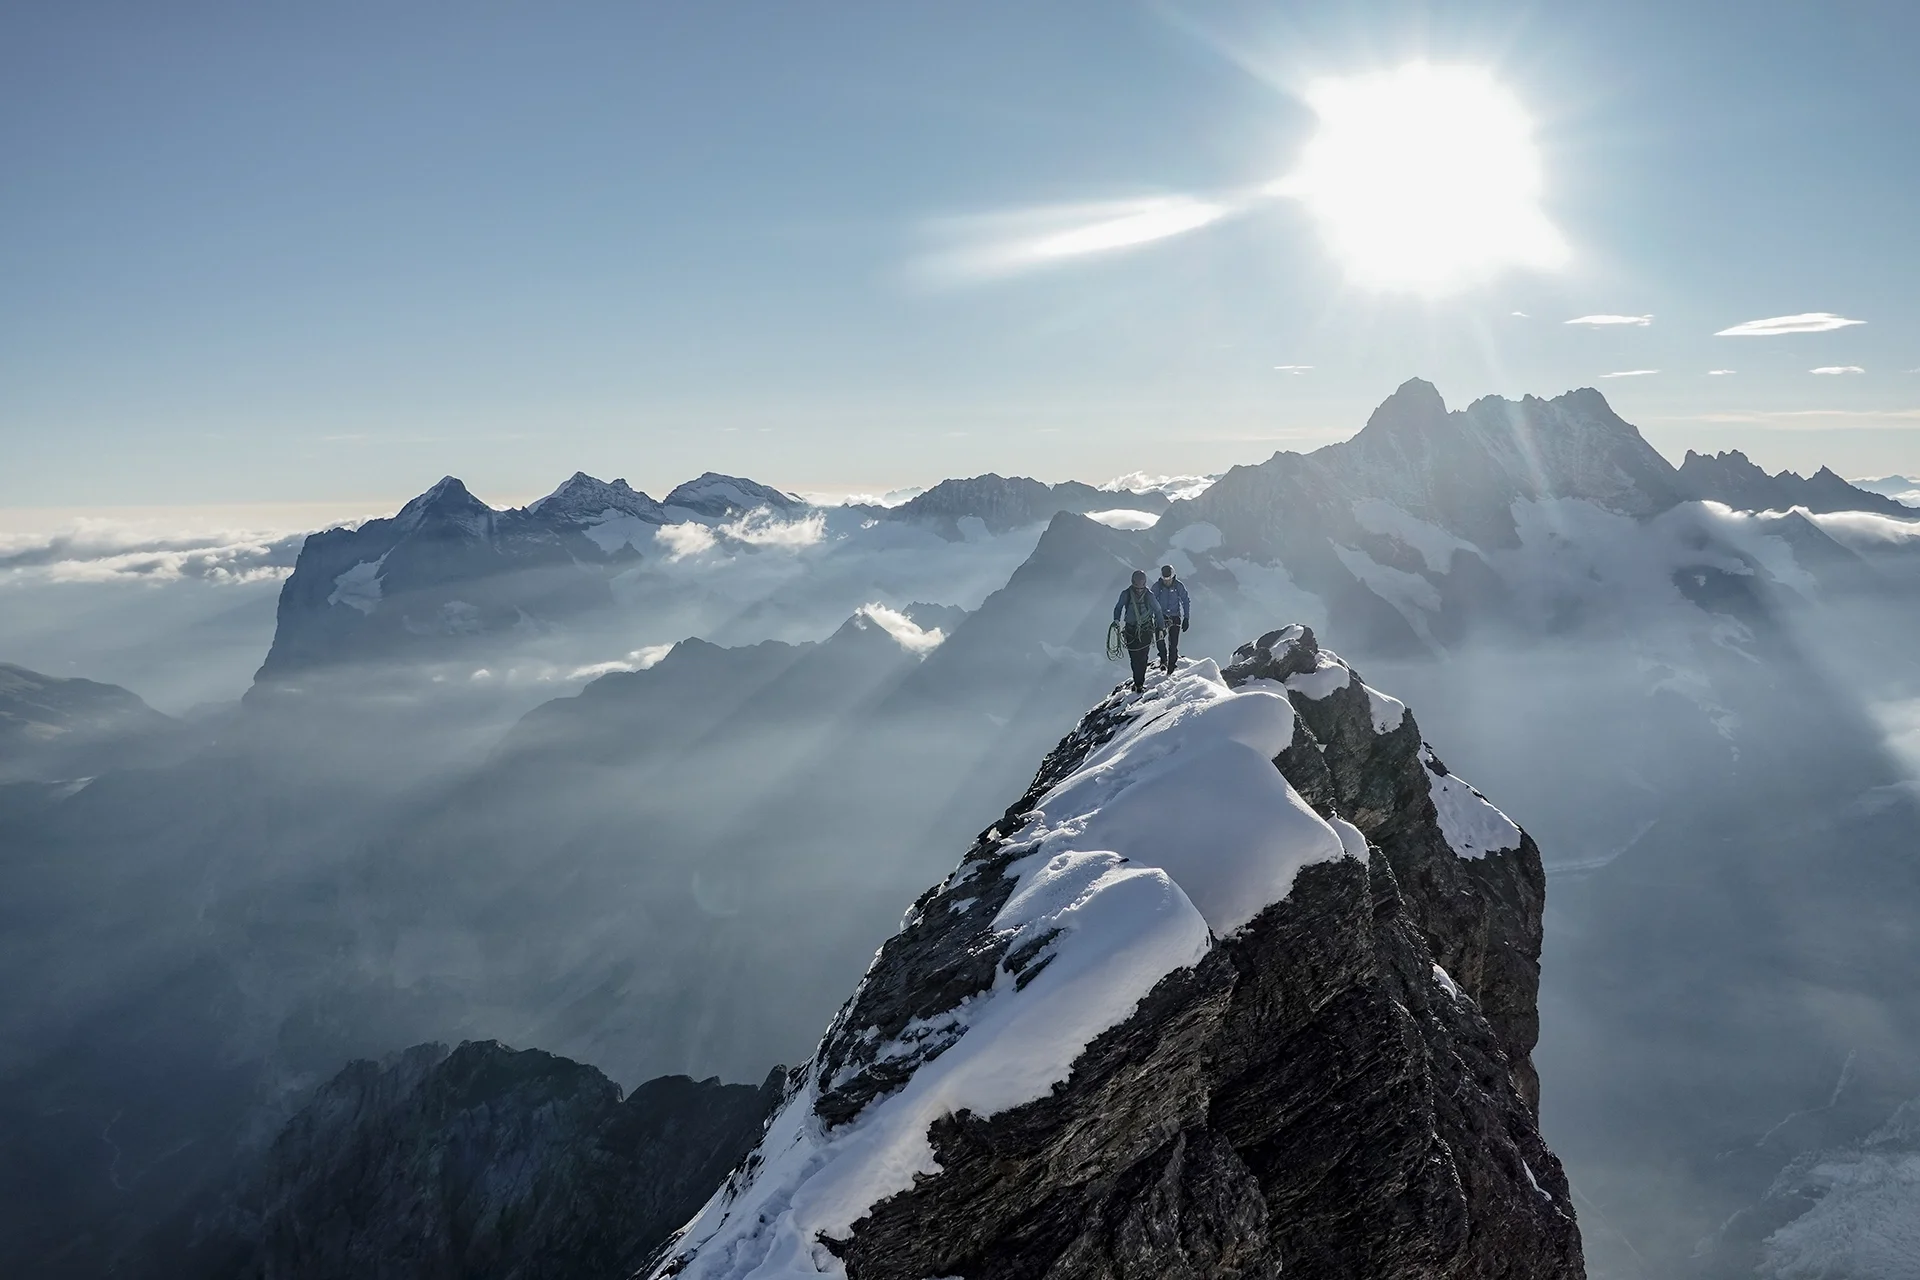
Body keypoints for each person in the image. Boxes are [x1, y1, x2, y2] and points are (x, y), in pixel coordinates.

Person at [1112, 569, 1166, 694]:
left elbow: (1119, 607)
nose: (1139, 589)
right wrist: (1116, 620)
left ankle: (1138, 683)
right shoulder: (1144, 594)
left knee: (1139, 658)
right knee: (1138, 657)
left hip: (1139, 630)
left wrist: (1161, 627)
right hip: (1138, 630)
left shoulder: (1140, 594)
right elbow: (1158, 611)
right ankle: (1138, 682)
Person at [1150, 564, 1191, 673]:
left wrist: (1186, 618)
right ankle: (1163, 659)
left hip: (1175, 616)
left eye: (1169, 579)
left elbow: (1185, 601)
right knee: (1159, 639)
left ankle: (1171, 666)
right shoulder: (1157, 586)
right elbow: (1150, 601)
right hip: (1161, 616)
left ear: (1173, 576)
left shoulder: (1178, 586)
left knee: (1173, 643)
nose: (1167, 581)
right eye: (1165, 579)